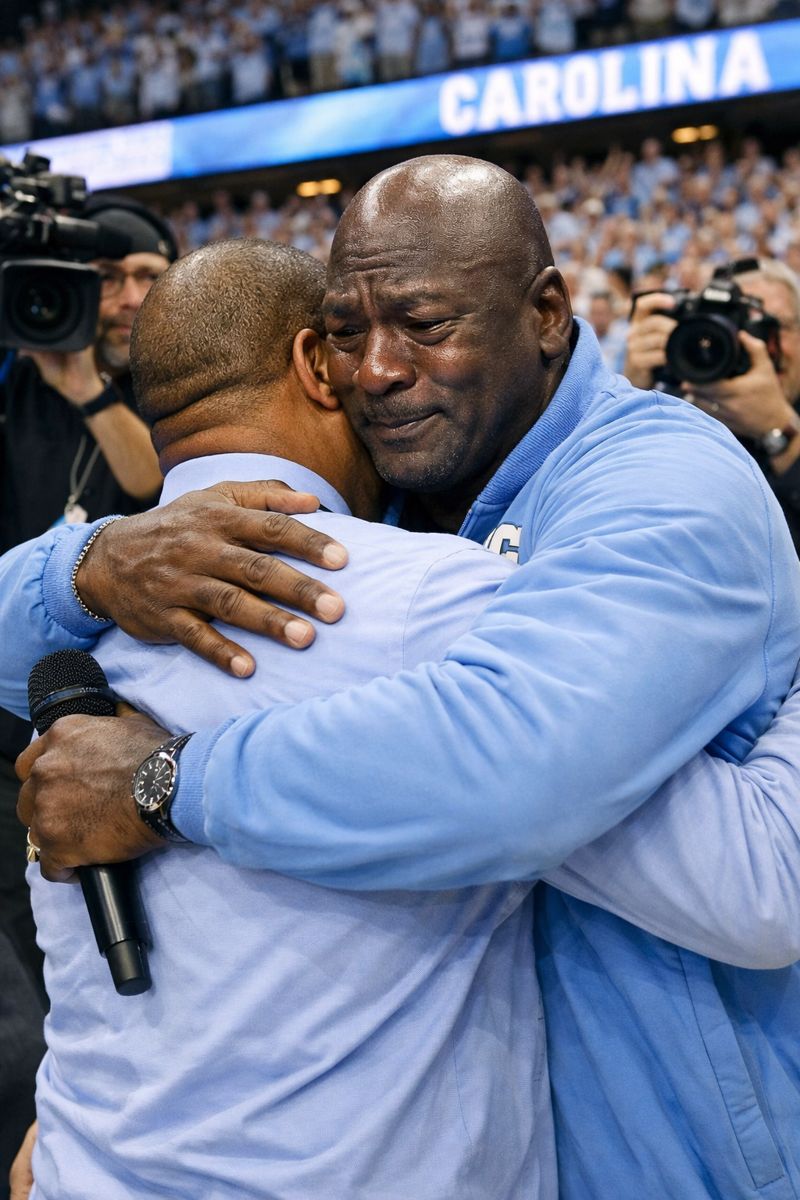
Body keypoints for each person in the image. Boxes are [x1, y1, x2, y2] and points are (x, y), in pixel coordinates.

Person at [7, 157, 800, 1199]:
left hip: (678, 1150)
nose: (373, 369)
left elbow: (532, 767)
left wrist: (165, 785)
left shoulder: (654, 479)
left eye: (424, 324)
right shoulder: (377, 519)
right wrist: (88, 565)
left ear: (548, 313)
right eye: (346, 331)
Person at [0, 193, 174, 1198]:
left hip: (111, 717)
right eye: (106, 277)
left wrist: (82, 383)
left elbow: (151, 489)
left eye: (147, 275)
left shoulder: (169, 377)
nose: (122, 297)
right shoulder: (15, 365)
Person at [624, 255, 800, 553]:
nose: (760, 345)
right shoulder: (671, 414)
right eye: (739, 326)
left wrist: (780, 432)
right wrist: (631, 395)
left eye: (777, 325)